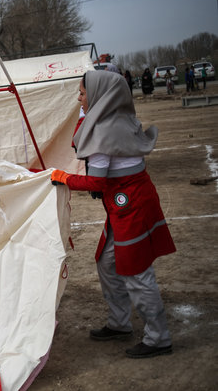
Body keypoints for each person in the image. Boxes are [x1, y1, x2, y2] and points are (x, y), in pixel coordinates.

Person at [51, 70, 176, 359]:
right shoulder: (119, 119)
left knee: (136, 271)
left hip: (130, 206)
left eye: (82, 93)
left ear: (98, 95)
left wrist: (63, 178)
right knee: (108, 263)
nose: (79, 97)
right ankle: (120, 323)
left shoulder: (103, 130)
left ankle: (159, 338)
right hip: (126, 203)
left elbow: (97, 181)